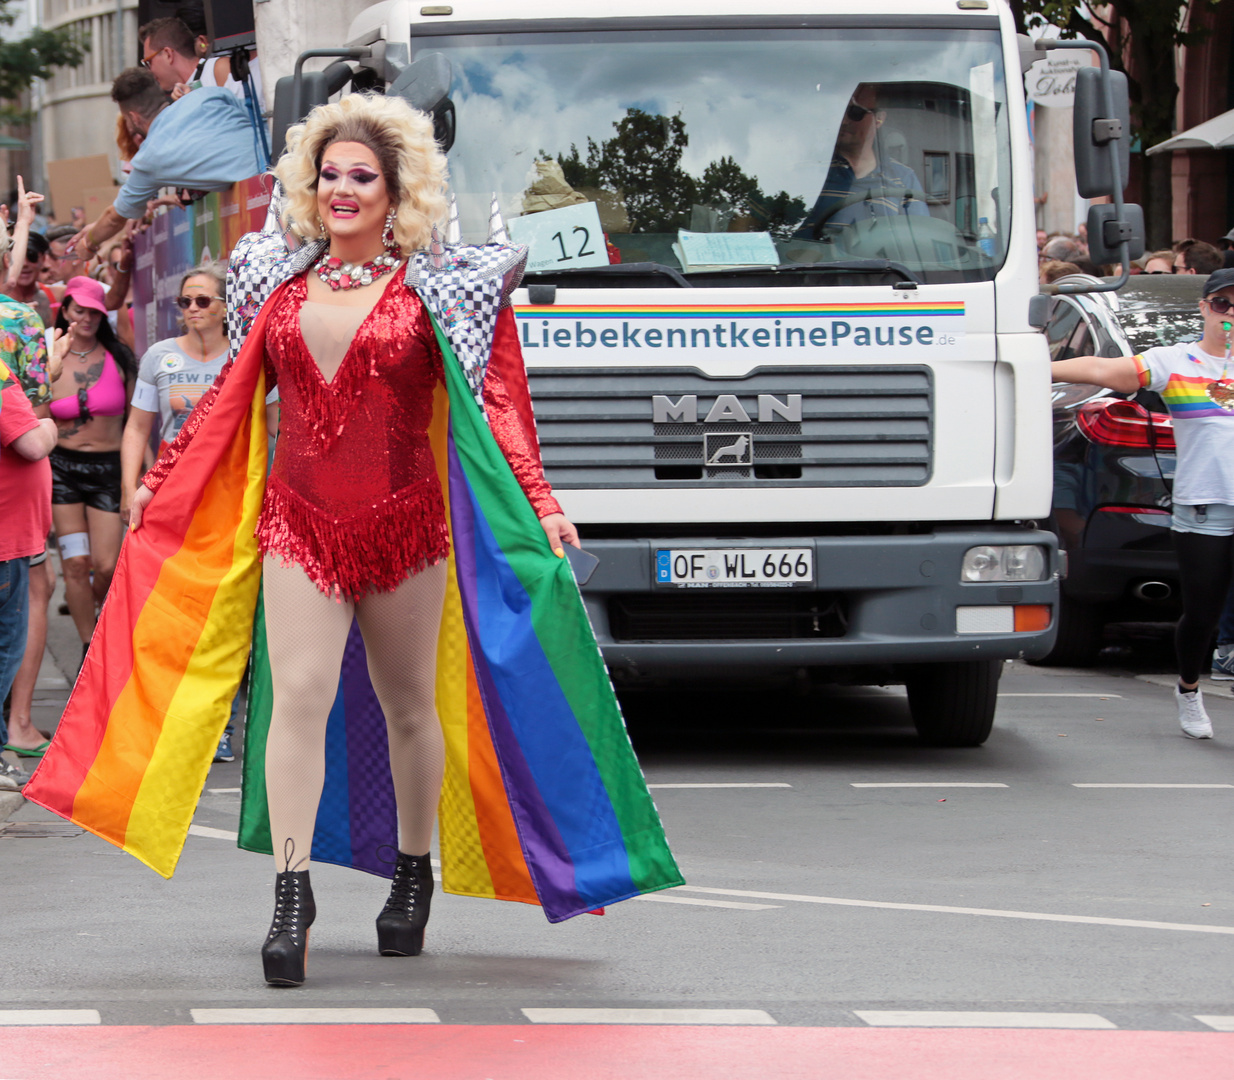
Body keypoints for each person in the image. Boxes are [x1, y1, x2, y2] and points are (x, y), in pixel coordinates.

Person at [125, 94, 581, 987]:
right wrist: (159, 478)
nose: (340, 188)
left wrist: (540, 498)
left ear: (395, 189)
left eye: (360, 176)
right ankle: (290, 892)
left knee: (409, 702)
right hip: (298, 519)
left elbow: (495, 405)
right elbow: (228, 397)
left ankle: (413, 871)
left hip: (407, 523)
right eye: (328, 173)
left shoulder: (444, 288)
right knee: (294, 695)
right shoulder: (270, 279)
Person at [1051, 268, 1234, 739]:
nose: (1231, 314)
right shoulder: (1177, 362)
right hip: (1204, 508)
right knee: (1203, 613)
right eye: (1223, 304)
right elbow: (1099, 369)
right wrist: (1035, 364)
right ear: (1205, 308)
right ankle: (1190, 689)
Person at [120, 260, 275, 763]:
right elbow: (138, 429)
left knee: (226, 619)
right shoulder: (159, 358)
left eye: (202, 301)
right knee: (175, 614)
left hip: (234, 504)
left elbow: (277, 429)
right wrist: (132, 489)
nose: (191, 310)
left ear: (228, 306)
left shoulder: (250, 356)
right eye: (183, 301)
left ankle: (220, 726)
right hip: (172, 504)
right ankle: (170, 722)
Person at [71, 68, 263, 260]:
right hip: (281, 177)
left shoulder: (149, 157)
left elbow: (115, 217)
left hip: (259, 214)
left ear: (134, 117)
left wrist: (89, 243)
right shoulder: (210, 94)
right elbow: (258, 122)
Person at [47, 276, 137, 666]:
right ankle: (88, 645)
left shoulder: (119, 357)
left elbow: (138, 422)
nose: (86, 317)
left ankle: (94, 609)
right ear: (65, 310)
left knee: (104, 564)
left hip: (107, 468)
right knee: (75, 562)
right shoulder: (48, 357)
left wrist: (141, 475)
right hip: (61, 469)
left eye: (94, 312)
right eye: (78, 309)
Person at [1, 361, 58, 789]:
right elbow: (33, 445)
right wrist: (49, 425)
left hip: (12, 537)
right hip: (6, 541)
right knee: (5, 649)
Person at [794, 82, 929, 239]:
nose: (843, 121)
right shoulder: (809, 171)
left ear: (879, 119)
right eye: (838, 113)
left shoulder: (904, 179)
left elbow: (919, 241)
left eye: (854, 112)